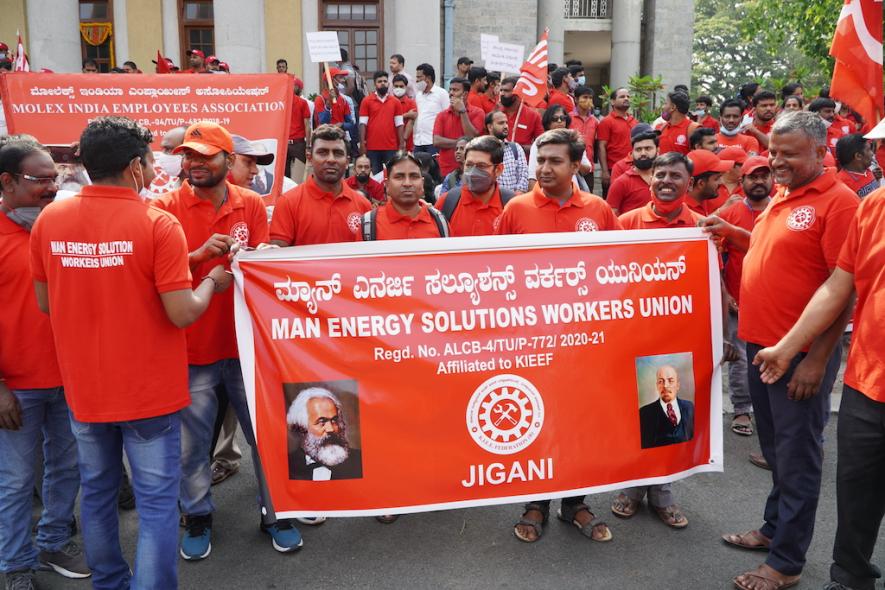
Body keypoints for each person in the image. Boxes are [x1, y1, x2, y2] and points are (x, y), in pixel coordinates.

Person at [30, 116, 232, 590]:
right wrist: (209, 282)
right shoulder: (157, 223)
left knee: (97, 493)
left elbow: (46, 303)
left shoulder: (51, 220)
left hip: (85, 388)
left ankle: (110, 583)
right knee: (157, 502)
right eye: (148, 159)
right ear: (134, 167)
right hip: (148, 393)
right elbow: (182, 312)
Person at [716, 111, 860, 590]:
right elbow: (767, 245)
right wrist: (731, 233)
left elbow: (844, 288)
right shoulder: (784, 192)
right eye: (774, 152)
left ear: (821, 153)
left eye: (789, 154)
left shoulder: (838, 202)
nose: (776, 161)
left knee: (798, 458)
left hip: (797, 358)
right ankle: (773, 530)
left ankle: (786, 563)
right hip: (761, 348)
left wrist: (817, 359)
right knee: (777, 451)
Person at [153, 122, 303, 560]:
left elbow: (259, 268)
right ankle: (198, 515)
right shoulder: (164, 208)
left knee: (268, 438)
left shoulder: (251, 203)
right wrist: (199, 259)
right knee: (192, 446)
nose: (194, 164)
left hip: (245, 349)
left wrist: (261, 262)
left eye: (204, 156)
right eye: (188, 156)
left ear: (226, 160)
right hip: (192, 349)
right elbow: (148, 272)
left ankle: (277, 512)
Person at [752, 185, 884, 590]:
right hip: (868, 380)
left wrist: (814, 358)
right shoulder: (875, 205)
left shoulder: (841, 201)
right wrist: (787, 349)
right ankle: (848, 577)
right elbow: (838, 285)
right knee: (857, 491)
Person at [498, 128, 619, 544]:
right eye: (540, 160)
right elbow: (493, 273)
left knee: (579, 423)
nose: (544, 168)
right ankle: (536, 503)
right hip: (529, 342)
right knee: (535, 421)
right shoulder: (515, 209)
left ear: (575, 166)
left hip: (585, 344)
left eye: (554, 161)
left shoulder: (600, 211)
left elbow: (619, 271)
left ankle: (575, 503)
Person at [0, 137, 89, 589]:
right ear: (7, 182)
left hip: (70, 378)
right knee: (16, 482)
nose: (52, 187)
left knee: (67, 469)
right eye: (40, 180)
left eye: (55, 178)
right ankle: (15, 565)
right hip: (16, 386)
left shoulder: (61, 226)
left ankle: (53, 540)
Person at [613, 152, 705, 530]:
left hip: (680, 339)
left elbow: (710, 285)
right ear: (649, 178)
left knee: (672, 421)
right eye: (660, 174)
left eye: (675, 175)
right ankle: (631, 490)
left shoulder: (703, 228)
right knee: (633, 419)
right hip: (630, 338)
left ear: (690, 183)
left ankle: (663, 495)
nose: (666, 180)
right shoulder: (624, 223)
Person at [715, 156, 772, 437]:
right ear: (743, 181)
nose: (759, 181)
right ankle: (741, 409)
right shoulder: (731, 213)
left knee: (770, 358)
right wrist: (724, 294)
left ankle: (770, 414)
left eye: (764, 176)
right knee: (739, 360)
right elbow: (714, 254)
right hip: (737, 300)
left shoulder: (781, 210)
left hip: (774, 304)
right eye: (753, 176)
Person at [270, 125, 372, 246]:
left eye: (338, 153)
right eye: (322, 152)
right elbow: (278, 258)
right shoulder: (288, 203)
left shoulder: (363, 206)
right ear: (310, 158)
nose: (331, 159)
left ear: (347, 162)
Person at [359, 152, 449, 240]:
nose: (407, 183)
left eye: (414, 176)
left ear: (422, 184)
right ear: (387, 185)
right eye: (399, 177)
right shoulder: (369, 225)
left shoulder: (440, 223)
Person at [437, 135, 514, 236]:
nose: (473, 172)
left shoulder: (512, 206)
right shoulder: (447, 202)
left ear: (498, 170)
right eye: (469, 165)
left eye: (481, 166)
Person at [287, 388, 363, 480]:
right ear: (301, 427)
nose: (331, 429)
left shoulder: (359, 461)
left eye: (334, 420)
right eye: (321, 422)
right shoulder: (288, 465)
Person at [527, 105, 592, 191]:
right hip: (546, 192)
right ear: (548, 122)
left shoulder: (574, 141)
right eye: (555, 118)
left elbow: (586, 169)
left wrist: (572, 159)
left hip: (572, 191)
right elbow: (533, 176)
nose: (559, 121)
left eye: (562, 118)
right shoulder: (539, 142)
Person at [432, 77, 484, 177]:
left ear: (465, 94)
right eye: (450, 90)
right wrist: (462, 144)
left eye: (455, 90)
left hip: (470, 169)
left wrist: (462, 111)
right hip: (446, 169)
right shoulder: (442, 115)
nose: (451, 93)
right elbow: (437, 141)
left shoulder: (478, 112)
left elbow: (472, 138)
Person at [606, 125, 658, 215]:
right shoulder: (621, 182)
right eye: (638, 149)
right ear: (632, 152)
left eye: (648, 148)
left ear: (657, 150)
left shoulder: (666, 179)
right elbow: (611, 216)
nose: (643, 153)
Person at [359, 71, 404, 173]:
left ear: (388, 83)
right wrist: (362, 144)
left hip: (391, 147)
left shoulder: (395, 102)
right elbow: (362, 124)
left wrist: (401, 144)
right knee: (375, 176)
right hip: (372, 147)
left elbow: (399, 124)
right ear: (375, 84)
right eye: (380, 81)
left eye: (385, 81)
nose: (383, 83)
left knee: (391, 174)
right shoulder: (366, 101)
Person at [639, 366, 695, 449]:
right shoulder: (644, 413)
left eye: (670, 381)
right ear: (657, 385)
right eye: (661, 381)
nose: (665, 385)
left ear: (677, 385)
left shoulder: (689, 408)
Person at [597, 87, 638, 193]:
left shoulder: (635, 122)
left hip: (633, 168)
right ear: (612, 101)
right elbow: (601, 146)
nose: (626, 98)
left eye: (628, 96)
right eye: (622, 96)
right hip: (613, 169)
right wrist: (605, 171)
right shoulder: (606, 122)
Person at [498, 76, 544, 155]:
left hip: (523, 164)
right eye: (501, 90)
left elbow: (541, 145)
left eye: (506, 91)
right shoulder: (496, 114)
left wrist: (518, 148)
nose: (502, 93)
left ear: (518, 92)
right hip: (498, 163)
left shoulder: (533, 115)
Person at [485, 111, 528, 194]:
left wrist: (517, 196)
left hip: (515, 201)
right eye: (501, 123)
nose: (505, 126)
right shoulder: (482, 149)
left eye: (506, 123)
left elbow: (524, 174)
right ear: (490, 127)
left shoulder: (515, 148)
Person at [413, 63, 449, 156]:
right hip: (418, 141)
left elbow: (448, 116)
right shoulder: (418, 95)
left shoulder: (441, 93)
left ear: (428, 78)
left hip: (433, 141)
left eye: (419, 77)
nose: (416, 80)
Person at [683, 149, 730, 215]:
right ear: (701, 183)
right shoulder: (680, 209)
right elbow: (698, 224)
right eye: (717, 179)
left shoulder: (705, 196)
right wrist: (722, 210)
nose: (721, 182)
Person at [570, 85, 598, 187]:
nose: (588, 100)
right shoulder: (568, 118)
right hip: (571, 165)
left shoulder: (595, 121)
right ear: (576, 99)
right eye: (585, 97)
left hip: (588, 167)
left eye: (590, 98)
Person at [286, 76, 312, 182]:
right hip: (298, 143)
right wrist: (308, 146)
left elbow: (307, 126)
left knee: (285, 178)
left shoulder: (282, 102)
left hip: (288, 144)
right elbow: (307, 125)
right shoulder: (302, 103)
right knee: (300, 176)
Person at [392, 74, 417, 152]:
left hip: (407, 144)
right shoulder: (389, 102)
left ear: (406, 87)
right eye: (396, 86)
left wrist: (403, 141)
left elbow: (412, 121)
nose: (398, 88)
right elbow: (387, 118)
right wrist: (406, 115)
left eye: (401, 86)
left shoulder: (411, 103)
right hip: (390, 144)